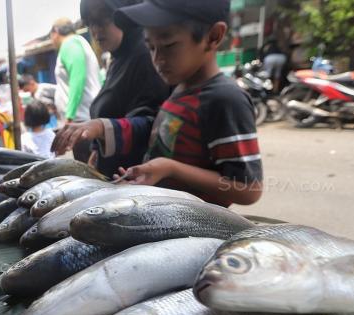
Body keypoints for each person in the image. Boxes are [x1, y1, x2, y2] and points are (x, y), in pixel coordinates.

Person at [53, 0, 263, 207]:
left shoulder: (224, 100)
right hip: (164, 216)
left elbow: (249, 189)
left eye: (168, 45)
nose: (157, 59)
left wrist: (171, 169)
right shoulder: (179, 90)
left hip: (196, 231)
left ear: (214, 36)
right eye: (150, 47)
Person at [78, 0, 170, 177]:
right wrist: (98, 148)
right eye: (90, 23)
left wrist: (101, 128)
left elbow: (154, 125)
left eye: (103, 19)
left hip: (136, 183)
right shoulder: (119, 58)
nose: (96, 30)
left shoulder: (145, 57)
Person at [50, 17, 102, 162]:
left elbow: (77, 79)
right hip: (87, 117)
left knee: (86, 169)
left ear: (55, 32)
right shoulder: (80, 43)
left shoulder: (69, 44)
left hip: (80, 121)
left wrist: (69, 117)